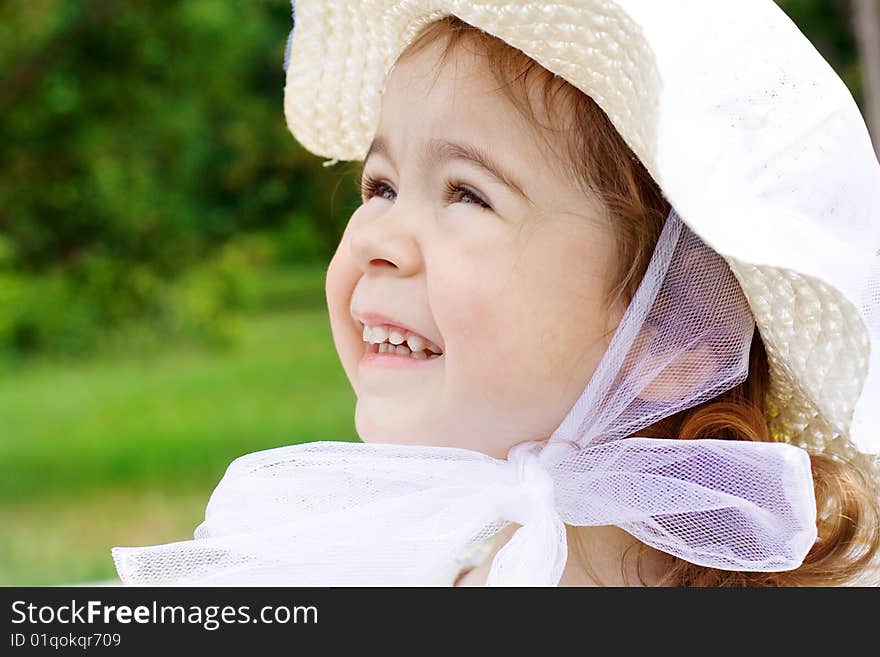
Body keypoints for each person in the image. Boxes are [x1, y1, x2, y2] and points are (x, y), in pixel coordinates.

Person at [112, 1, 880, 586]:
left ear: (678, 336)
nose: (374, 237)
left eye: (466, 194)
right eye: (379, 185)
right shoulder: (364, 556)